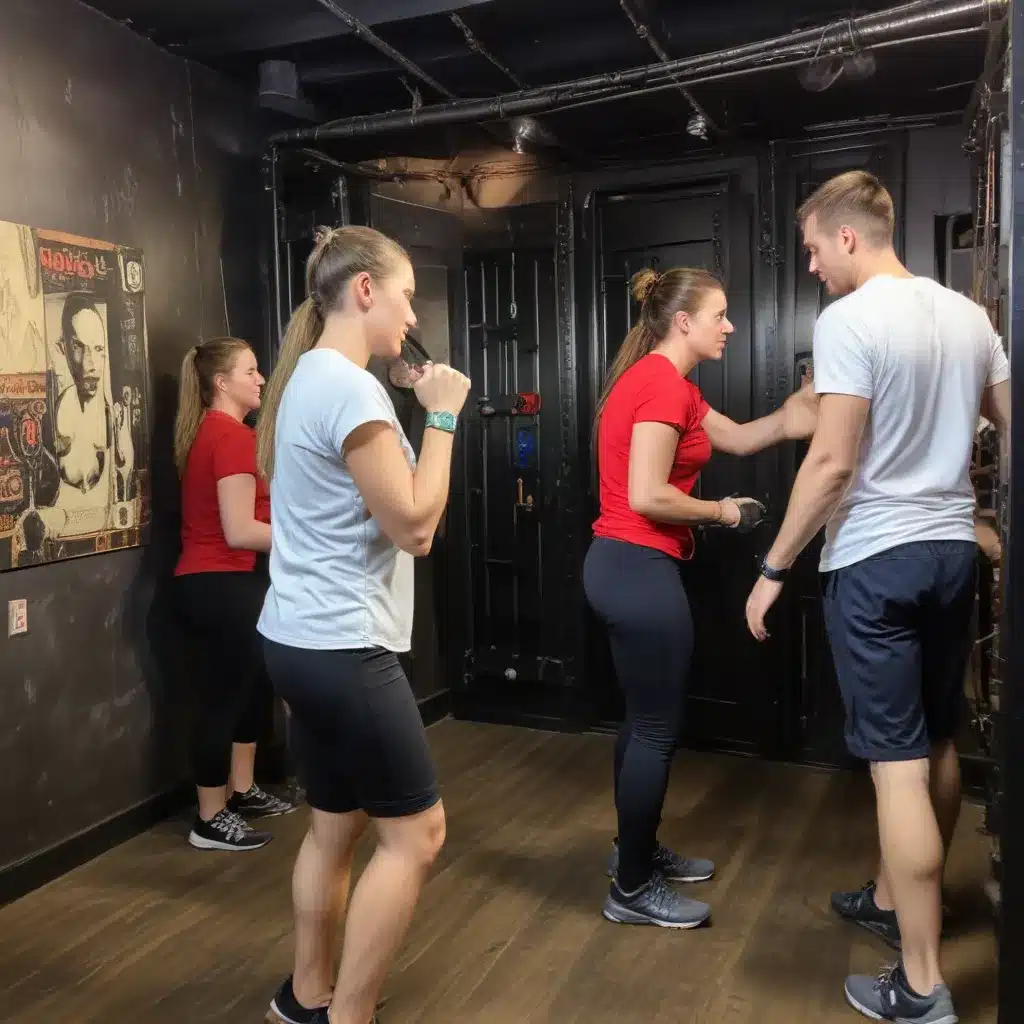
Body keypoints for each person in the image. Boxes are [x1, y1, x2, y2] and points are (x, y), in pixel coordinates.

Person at [744, 169, 1010, 1024]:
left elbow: (831, 463)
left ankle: (922, 984)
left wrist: (774, 567)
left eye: (814, 249)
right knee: (935, 740)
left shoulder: (850, 320)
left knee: (896, 770)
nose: (813, 265)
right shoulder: (969, 318)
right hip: (950, 554)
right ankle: (896, 899)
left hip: (876, 560)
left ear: (848, 236)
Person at [255, 225, 470, 1024]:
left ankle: (306, 995)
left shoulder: (307, 377)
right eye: (406, 296)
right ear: (366, 290)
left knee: (336, 824)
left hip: (295, 642)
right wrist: (441, 419)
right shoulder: (350, 388)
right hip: (344, 648)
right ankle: (348, 1015)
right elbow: (415, 526)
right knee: (418, 836)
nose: (412, 316)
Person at [586, 266, 818, 930]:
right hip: (635, 568)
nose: (730, 326)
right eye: (719, 315)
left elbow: (740, 437)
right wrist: (725, 512)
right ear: (683, 321)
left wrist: (798, 412)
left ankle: (633, 852)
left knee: (641, 722)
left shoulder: (673, 384)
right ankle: (631, 888)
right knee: (656, 728)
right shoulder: (661, 383)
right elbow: (647, 495)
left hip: (623, 566)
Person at [173, 336, 295, 854]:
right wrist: (307, 539)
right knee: (220, 703)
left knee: (250, 690)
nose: (261, 379)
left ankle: (241, 791)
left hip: (228, 583)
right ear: (221, 383)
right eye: (250, 371)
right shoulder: (230, 438)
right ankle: (209, 819)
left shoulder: (221, 433)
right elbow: (241, 530)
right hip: (220, 584)